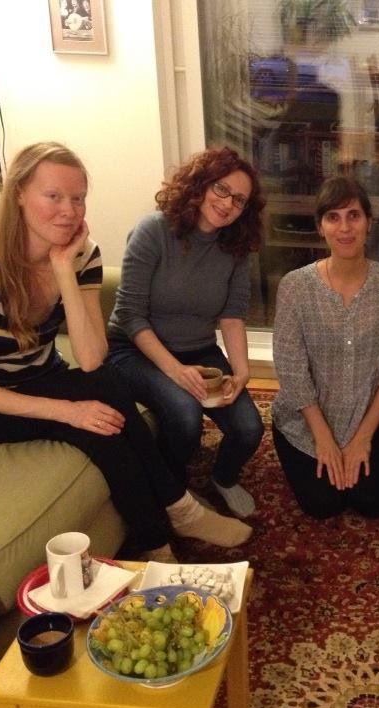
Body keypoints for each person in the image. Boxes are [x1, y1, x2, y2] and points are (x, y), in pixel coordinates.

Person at [0, 142, 252, 560]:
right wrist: (68, 412)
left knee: (108, 386)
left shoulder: (83, 255)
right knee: (101, 432)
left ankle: (178, 509)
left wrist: (63, 268)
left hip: (40, 375)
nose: (69, 210)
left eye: (78, 198)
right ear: (19, 194)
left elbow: (89, 360)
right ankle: (159, 540)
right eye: (54, 196)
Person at [107, 146, 266, 520]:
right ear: (201, 183)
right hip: (134, 349)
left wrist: (241, 372)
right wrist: (176, 372)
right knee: (184, 415)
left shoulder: (237, 247)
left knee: (249, 428)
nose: (228, 204)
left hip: (198, 349)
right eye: (222, 189)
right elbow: (130, 316)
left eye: (240, 200)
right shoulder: (153, 231)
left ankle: (223, 478)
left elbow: (231, 315)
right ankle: (173, 491)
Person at [271, 177, 379, 519]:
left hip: (370, 418)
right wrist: (324, 439)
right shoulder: (295, 288)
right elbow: (292, 369)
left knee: (374, 503)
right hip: (305, 422)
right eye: (333, 217)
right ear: (320, 227)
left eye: (353, 216)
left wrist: (362, 439)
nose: (345, 227)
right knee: (323, 504)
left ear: (369, 223)